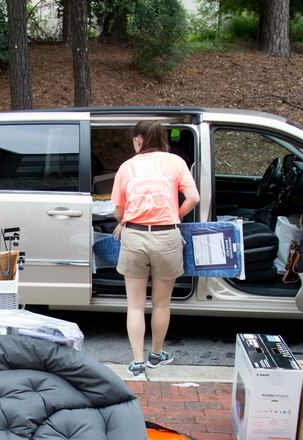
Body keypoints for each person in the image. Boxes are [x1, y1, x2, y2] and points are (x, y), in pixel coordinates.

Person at [111, 121, 200, 377]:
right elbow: (193, 198)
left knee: (135, 305)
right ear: (162, 139)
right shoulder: (176, 162)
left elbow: (119, 211)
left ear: (138, 139)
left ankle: (137, 362)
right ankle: (156, 355)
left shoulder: (126, 167)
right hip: (166, 237)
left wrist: (126, 221)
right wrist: (175, 216)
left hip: (135, 237)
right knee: (162, 304)